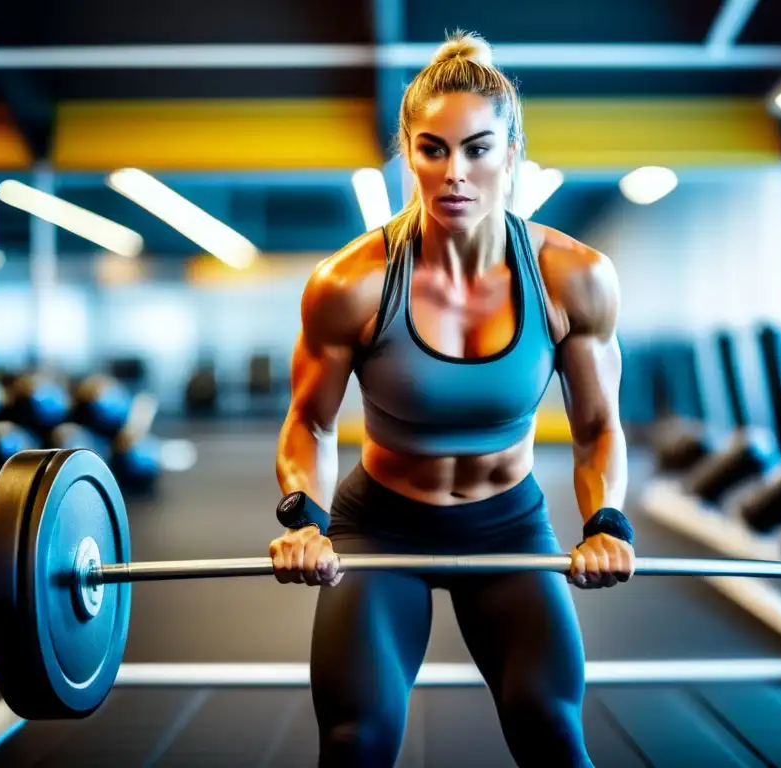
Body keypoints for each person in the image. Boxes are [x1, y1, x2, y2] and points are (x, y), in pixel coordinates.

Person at [269, 29, 633, 768]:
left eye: (478, 149)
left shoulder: (573, 278)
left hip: (508, 528)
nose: (455, 173)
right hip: (379, 530)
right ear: (407, 153)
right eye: (432, 149)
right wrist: (303, 518)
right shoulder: (351, 283)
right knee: (355, 740)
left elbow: (598, 428)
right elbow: (309, 419)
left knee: (551, 730)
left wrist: (606, 521)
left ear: (512, 154)